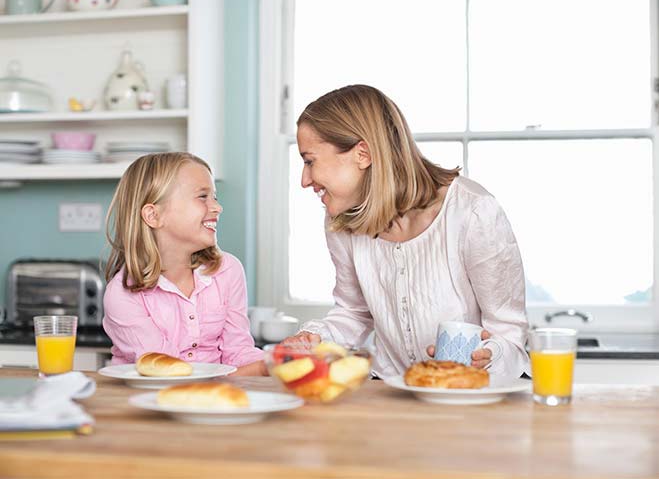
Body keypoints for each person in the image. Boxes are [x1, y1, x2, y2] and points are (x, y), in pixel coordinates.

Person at [287, 84, 529, 378]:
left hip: (470, 400)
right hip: (391, 397)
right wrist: (315, 339)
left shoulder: (473, 211)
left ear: (362, 154)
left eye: (309, 161)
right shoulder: (342, 221)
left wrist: (486, 356)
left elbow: (509, 332)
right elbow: (353, 313)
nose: (304, 179)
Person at [102, 152, 266, 376]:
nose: (217, 207)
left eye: (214, 197)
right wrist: (261, 369)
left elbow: (238, 352)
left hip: (209, 402)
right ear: (154, 215)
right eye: (202, 196)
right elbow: (167, 370)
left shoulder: (227, 271)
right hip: (144, 403)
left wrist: (276, 362)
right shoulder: (122, 294)